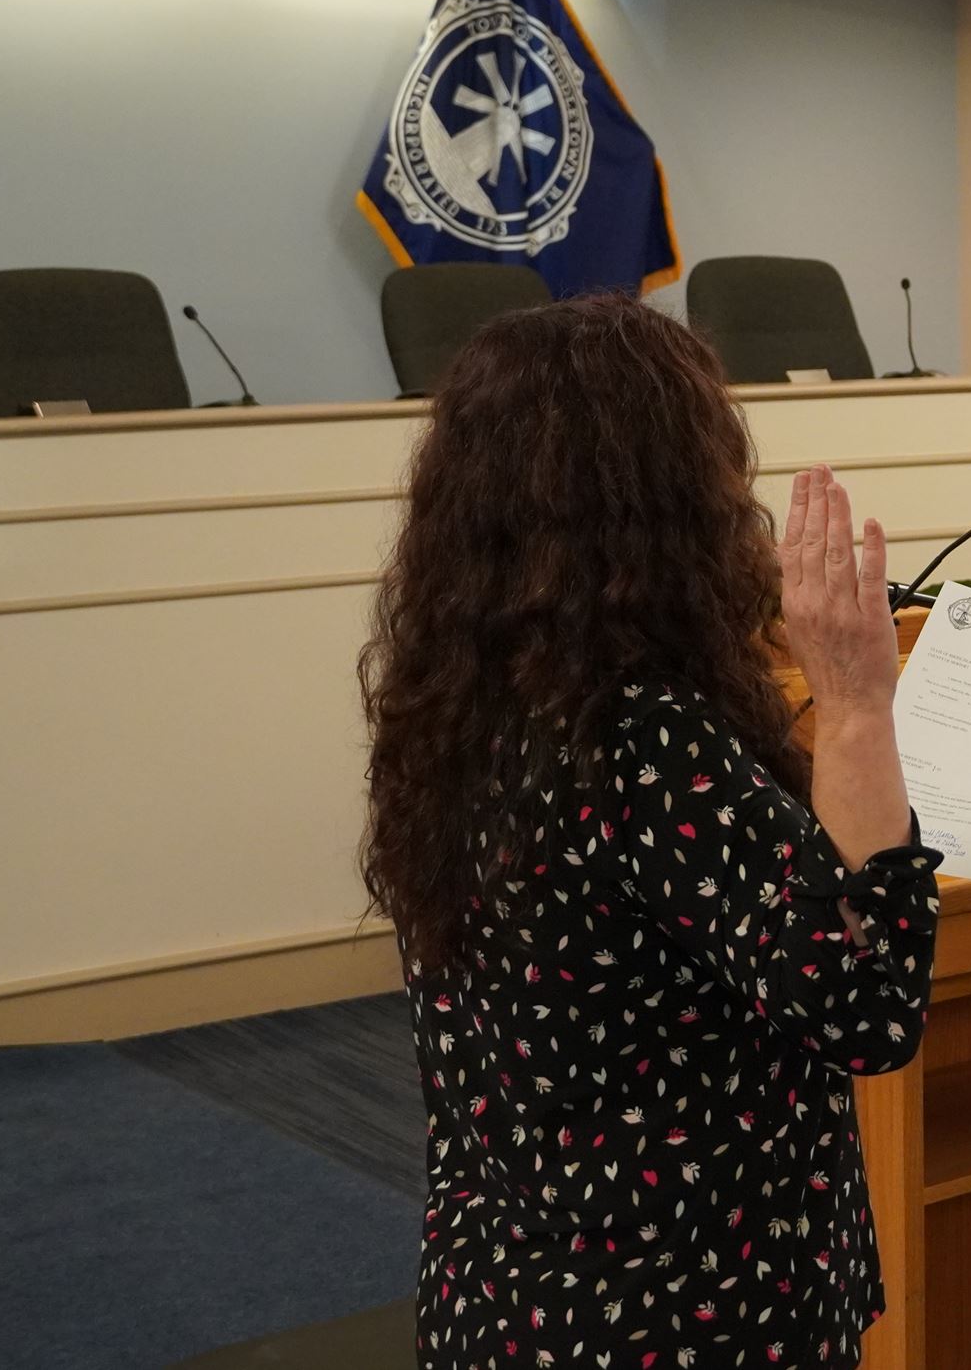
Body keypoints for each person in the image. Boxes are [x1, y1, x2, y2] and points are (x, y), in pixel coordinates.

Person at [359, 293, 940, 1370]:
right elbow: (865, 1007)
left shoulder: (456, 699)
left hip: (509, 1287)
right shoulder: (636, 737)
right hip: (682, 1311)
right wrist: (857, 705)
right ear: (670, 496)